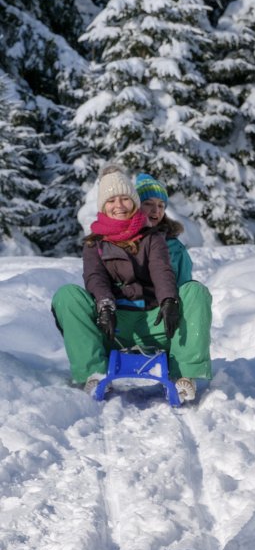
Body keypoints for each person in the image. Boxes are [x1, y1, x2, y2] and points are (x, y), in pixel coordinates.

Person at [51, 165, 212, 403]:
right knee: (67, 295)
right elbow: (95, 277)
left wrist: (168, 300)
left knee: (195, 291)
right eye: (112, 200)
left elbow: (161, 270)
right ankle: (92, 373)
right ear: (103, 206)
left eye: (125, 198)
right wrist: (105, 305)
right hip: (113, 325)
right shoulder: (94, 244)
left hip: (155, 321)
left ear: (133, 202)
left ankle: (184, 376)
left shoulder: (154, 238)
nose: (119, 205)